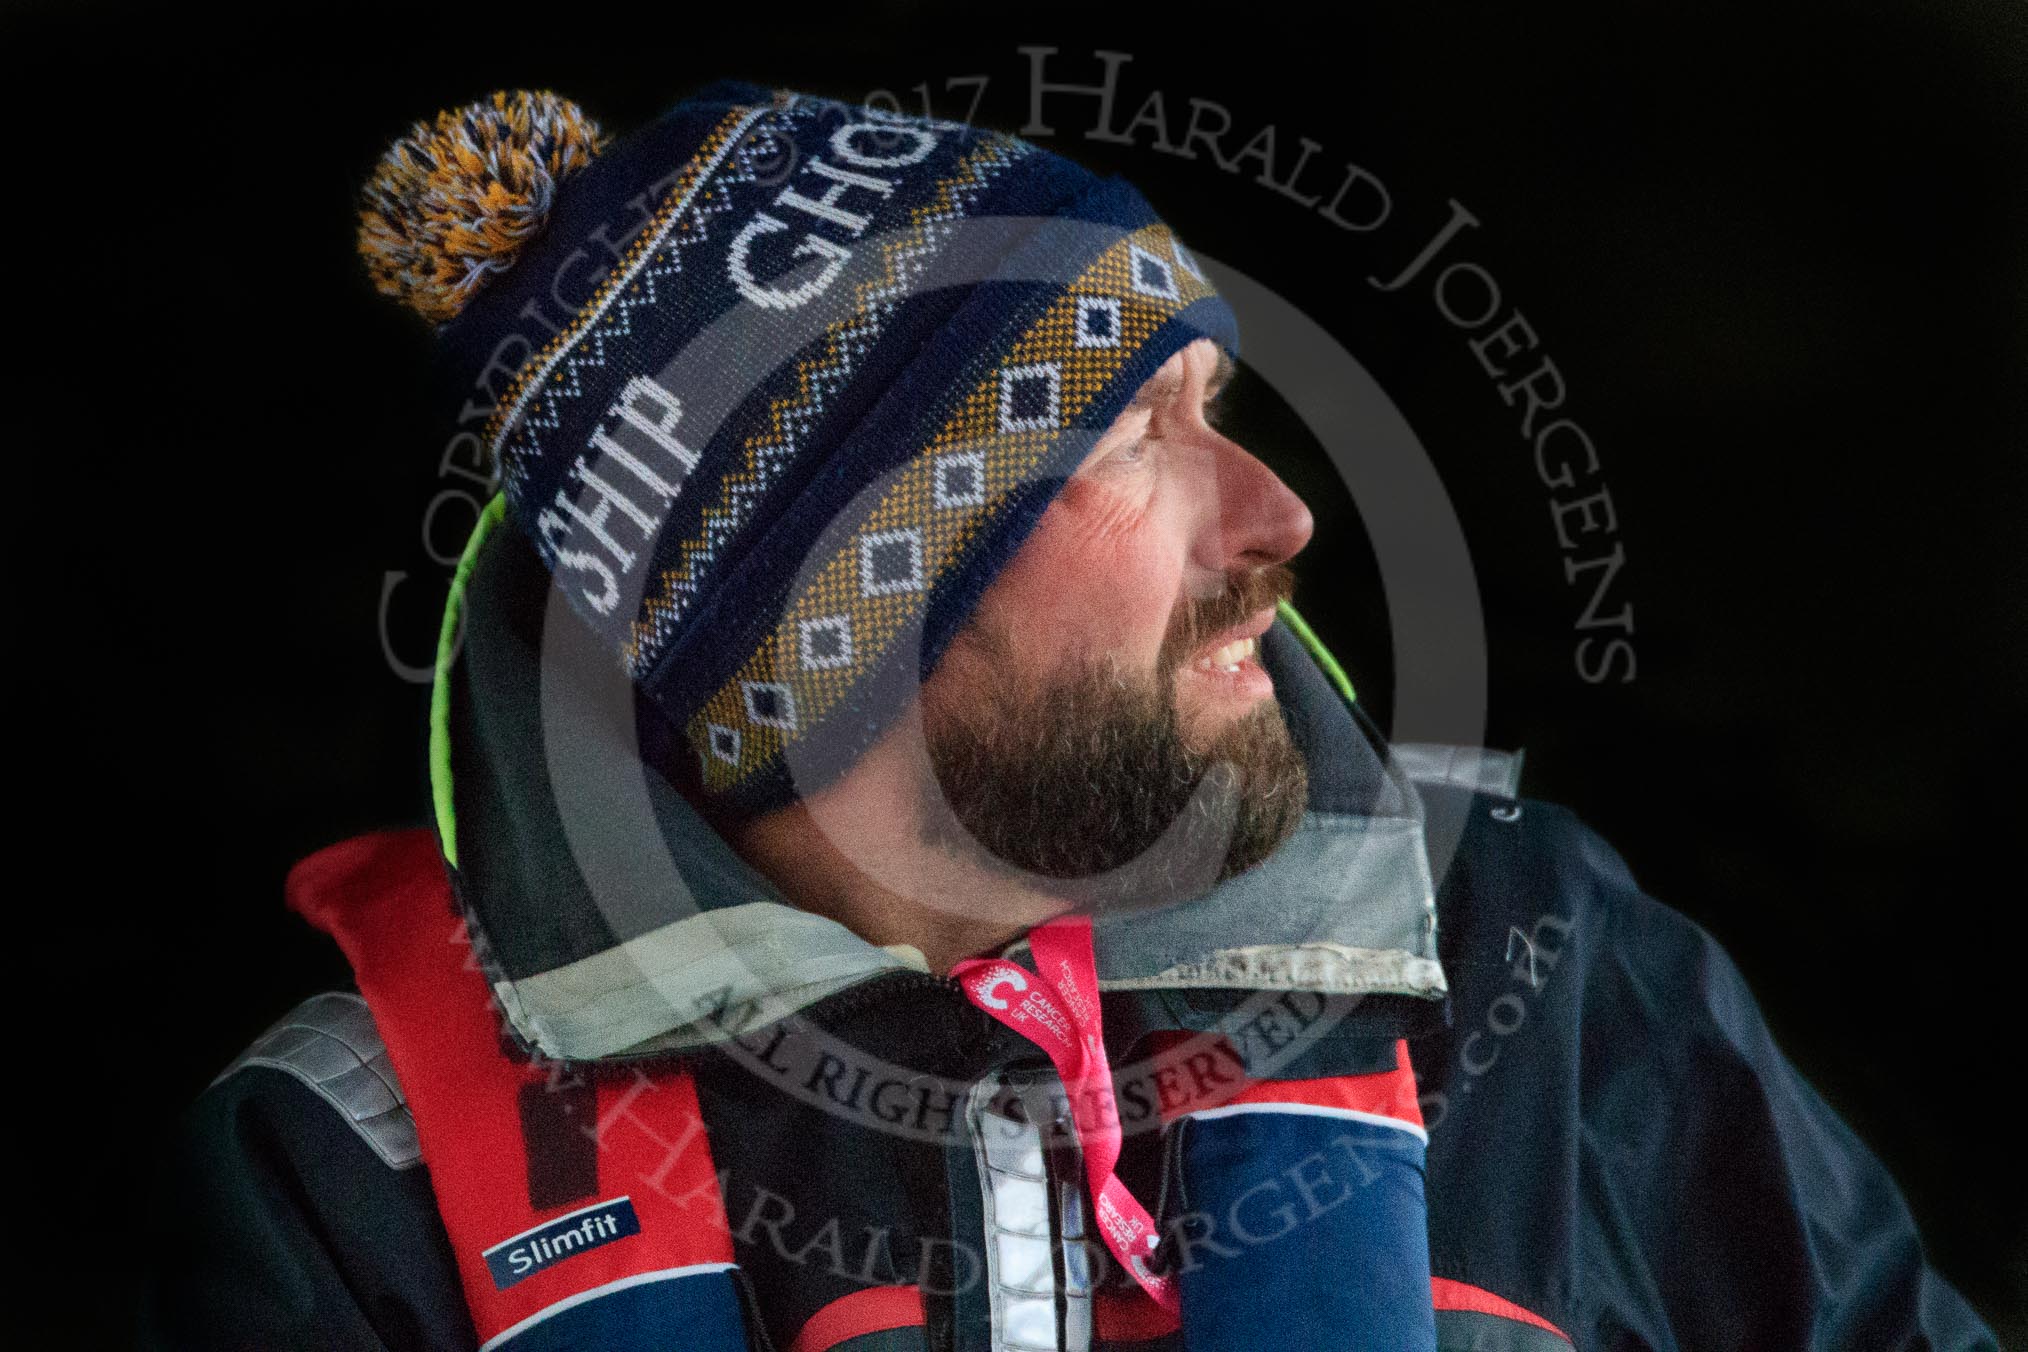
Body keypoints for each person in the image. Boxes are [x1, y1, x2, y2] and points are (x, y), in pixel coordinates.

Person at [136, 80, 1997, 1352]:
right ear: (829, 623)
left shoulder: (1540, 960)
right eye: (1131, 436)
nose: (1277, 517)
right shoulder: (355, 1161)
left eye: (1216, 402)